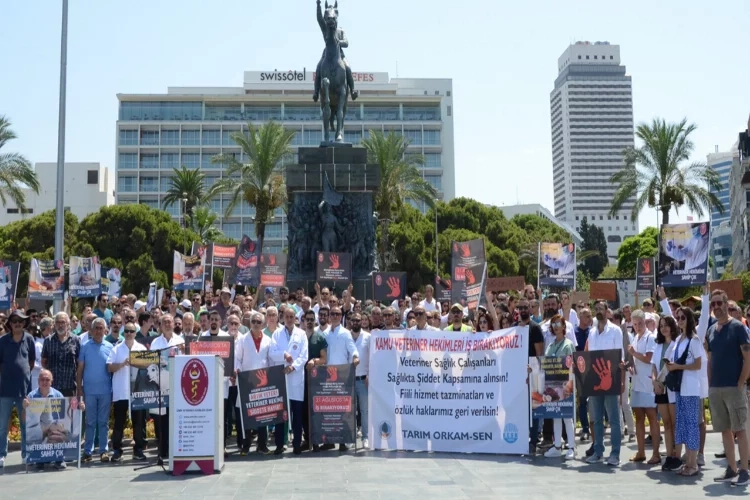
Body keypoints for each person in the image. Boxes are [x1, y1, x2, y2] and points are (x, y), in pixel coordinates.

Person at [706, 289, 750, 484]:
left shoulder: (738, 327)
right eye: (713, 304)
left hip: (734, 387)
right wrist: (710, 384)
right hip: (716, 388)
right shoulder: (711, 330)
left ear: (726, 304)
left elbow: (748, 357)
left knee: (740, 430)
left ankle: (744, 471)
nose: (716, 307)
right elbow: (710, 359)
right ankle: (731, 469)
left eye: (719, 303)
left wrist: (741, 382)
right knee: (725, 430)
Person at [585, 299, 625, 466]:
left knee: (614, 418)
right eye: (596, 308)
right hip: (595, 380)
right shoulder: (592, 332)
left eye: (601, 308)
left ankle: (615, 453)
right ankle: (598, 451)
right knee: (597, 419)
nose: (598, 310)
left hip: (611, 378)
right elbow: (588, 356)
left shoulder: (615, 331)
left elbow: (620, 357)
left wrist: (621, 380)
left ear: (607, 310)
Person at [668, 307, 704, 476]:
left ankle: (693, 464)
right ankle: (688, 462)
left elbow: (698, 365)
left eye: (683, 317)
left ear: (689, 320)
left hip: (690, 388)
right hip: (680, 388)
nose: (680, 320)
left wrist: (678, 366)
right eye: (678, 317)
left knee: (692, 426)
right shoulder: (678, 340)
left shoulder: (694, 340)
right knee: (683, 425)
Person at [235, 311, 275, 455]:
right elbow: (237, 359)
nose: (256, 324)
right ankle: (246, 445)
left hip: (263, 382)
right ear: (250, 323)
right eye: (254, 322)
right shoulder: (242, 340)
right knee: (247, 414)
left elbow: (270, 360)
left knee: (263, 414)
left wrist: (271, 376)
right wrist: (238, 370)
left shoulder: (268, 340)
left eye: (259, 322)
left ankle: (262, 445)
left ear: (263, 324)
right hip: (247, 381)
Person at [0, 310, 36, 470]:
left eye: (20, 321)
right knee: (2, 425)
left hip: (24, 391)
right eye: (14, 320)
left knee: (24, 424)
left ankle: (25, 454)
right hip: (4, 390)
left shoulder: (29, 339)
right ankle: (1, 454)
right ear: (10, 323)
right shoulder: (2, 341)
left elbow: (31, 362)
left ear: (24, 323)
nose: (17, 323)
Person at [270, 307, 308, 455]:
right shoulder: (277, 334)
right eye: (287, 316)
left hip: (296, 377)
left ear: (295, 318)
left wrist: (293, 367)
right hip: (281, 377)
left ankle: (297, 443)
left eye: (292, 316)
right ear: (283, 317)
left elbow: (304, 356)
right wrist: (284, 354)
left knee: (297, 414)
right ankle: (280, 444)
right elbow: (272, 353)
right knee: (281, 415)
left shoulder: (302, 334)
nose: (290, 319)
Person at [107, 321, 147, 461]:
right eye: (127, 331)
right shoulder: (116, 349)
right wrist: (123, 364)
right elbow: (109, 367)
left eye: (131, 331)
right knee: (119, 422)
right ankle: (117, 450)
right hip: (121, 391)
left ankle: (138, 449)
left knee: (138, 422)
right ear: (123, 333)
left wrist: (136, 362)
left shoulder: (141, 348)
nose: (129, 334)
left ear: (135, 333)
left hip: (137, 392)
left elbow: (147, 366)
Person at [76, 318, 113, 462]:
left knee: (103, 422)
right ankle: (88, 452)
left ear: (105, 330)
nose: (98, 331)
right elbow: (80, 369)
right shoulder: (85, 346)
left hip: (105, 390)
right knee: (90, 421)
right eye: (96, 328)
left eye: (101, 328)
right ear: (91, 330)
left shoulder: (110, 346)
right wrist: (79, 388)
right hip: (89, 391)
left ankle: (104, 451)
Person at [627, 309, 660, 465]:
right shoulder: (635, 338)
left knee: (652, 418)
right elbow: (636, 360)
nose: (638, 326)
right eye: (635, 324)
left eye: (640, 323)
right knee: (639, 418)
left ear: (645, 323)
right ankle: (640, 452)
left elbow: (649, 359)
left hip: (648, 384)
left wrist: (633, 353)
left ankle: (656, 453)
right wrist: (629, 366)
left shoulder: (650, 338)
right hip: (636, 383)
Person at [542, 315, 576, 460]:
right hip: (552, 386)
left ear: (563, 326)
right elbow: (545, 364)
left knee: (567, 417)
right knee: (556, 416)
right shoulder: (550, 346)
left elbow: (572, 365)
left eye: (558, 324)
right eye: (553, 324)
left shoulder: (568, 344)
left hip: (566, 386)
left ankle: (572, 447)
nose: (556, 327)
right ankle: (557, 447)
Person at [42, 312, 81, 397]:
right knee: (52, 410)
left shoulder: (76, 340)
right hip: (52, 386)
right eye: (58, 322)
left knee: (69, 410)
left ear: (68, 324)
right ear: (54, 325)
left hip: (70, 386)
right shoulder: (48, 341)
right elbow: (44, 361)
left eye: (62, 322)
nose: (60, 325)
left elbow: (79, 363)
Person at [348, 312, 370, 449]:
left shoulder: (368, 337)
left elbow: (373, 358)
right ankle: (351, 438)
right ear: (350, 321)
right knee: (350, 411)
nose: (355, 322)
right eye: (353, 320)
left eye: (358, 320)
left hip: (363, 379)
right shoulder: (346, 336)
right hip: (349, 379)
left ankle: (366, 437)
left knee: (364, 411)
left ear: (362, 321)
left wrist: (370, 374)